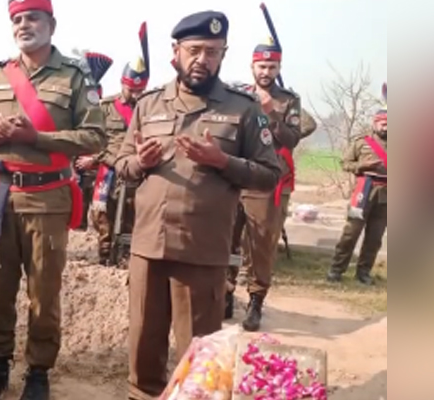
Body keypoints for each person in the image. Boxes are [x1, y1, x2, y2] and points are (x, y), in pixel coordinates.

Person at [114, 11, 282, 400]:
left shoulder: (244, 110)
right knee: (143, 349)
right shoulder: (149, 104)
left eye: (212, 51)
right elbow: (122, 165)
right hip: (148, 248)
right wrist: (141, 162)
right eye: (194, 50)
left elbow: (270, 174)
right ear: (176, 52)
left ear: (223, 55)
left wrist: (223, 162)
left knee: (200, 357)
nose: (202, 59)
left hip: (202, 251)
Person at [0, 1, 106, 399]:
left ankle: (39, 372)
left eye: (33, 18)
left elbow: (95, 136)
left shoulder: (75, 76)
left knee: (43, 294)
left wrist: (37, 139)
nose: (25, 25)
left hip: (47, 199)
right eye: (18, 19)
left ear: (51, 24)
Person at [224, 38, 317, 331]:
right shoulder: (238, 95)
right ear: (252, 66)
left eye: (272, 66)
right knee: (226, 236)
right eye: (261, 66)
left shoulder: (289, 100)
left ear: (279, 68)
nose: (266, 71)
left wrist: (270, 111)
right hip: (235, 174)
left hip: (265, 180)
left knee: (260, 243)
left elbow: (291, 138)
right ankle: (225, 293)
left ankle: (255, 301)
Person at [88, 23, 150, 266]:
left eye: (139, 90)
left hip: (136, 176)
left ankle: (126, 262)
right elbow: (94, 138)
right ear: (122, 83)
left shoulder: (149, 109)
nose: (134, 94)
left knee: (132, 224)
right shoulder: (105, 108)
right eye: (130, 88)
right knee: (103, 220)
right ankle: (105, 260)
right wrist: (111, 160)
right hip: (108, 173)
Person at [327, 103, 387, 285]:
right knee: (351, 233)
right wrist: (363, 166)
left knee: (374, 238)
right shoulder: (362, 142)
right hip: (363, 192)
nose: (386, 127)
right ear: (375, 123)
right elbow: (345, 164)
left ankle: (363, 273)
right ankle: (336, 270)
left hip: (386, 195)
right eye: (383, 123)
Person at [73, 52, 113, 231]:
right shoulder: (73, 111)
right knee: (75, 217)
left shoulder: (108, 113)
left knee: (101, 219)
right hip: (77, 171)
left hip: (102, 172)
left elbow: (110, 142)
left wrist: (96, 159)